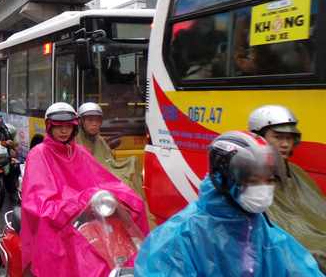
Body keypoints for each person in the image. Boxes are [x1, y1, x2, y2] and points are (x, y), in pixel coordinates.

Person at [135, 131, 323, 276]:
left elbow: (301, 269)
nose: (264, 188)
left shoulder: (264, 231)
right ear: (224, 178)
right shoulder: (180, 237)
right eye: (254, 179)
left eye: (269, 179)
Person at [21, 102, 149, 277]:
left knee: (132, 210)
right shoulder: (39, 153)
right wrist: (78, 202)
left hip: (88, 213)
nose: (64, 131)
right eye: (59, 127)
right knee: (80, 247)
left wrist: (126, 198)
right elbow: (39, 202)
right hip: (60, 218)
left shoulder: (81, 152)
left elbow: (103, 180)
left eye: (68, 126)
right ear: (49, 127)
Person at [248, 105, 326, 272]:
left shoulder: (295, 172)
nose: (285, 144)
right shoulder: (246, 174)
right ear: (259, 138)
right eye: (278, 137)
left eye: (289, 138)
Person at [75, 102, 157, 229]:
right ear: (80, 121)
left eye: (97, 120)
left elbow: (110, 162)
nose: (94, 124)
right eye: (90, 120)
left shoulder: (100, 140)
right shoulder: (75, 139)